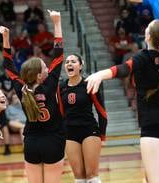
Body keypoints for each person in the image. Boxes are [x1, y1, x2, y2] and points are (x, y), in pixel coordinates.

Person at [85, 19, 159, 183]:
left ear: (148, 36)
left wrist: (100, 75)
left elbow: (124, 68)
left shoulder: (143, 58)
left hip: (154, 125)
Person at [1, 10, 65, 183]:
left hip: (31, 144)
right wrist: (57, 23)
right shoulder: (49, 86)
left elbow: (8, 65)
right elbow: (58, 54)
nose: (48, 69)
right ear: (39, 76)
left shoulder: (21, 89)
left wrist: (6, 38)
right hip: (53, 141)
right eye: (45, 67)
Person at [60, 54, 107, 183]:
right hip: (70, 133)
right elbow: (60, 113)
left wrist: (102, 135)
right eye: (67, 62)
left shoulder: (89, 83)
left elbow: (101, 111)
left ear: (80, 66)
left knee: (91, 175)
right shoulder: (61, 87)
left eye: (73, 62)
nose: (69, 64)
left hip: (89, 130)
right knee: (79, 176)